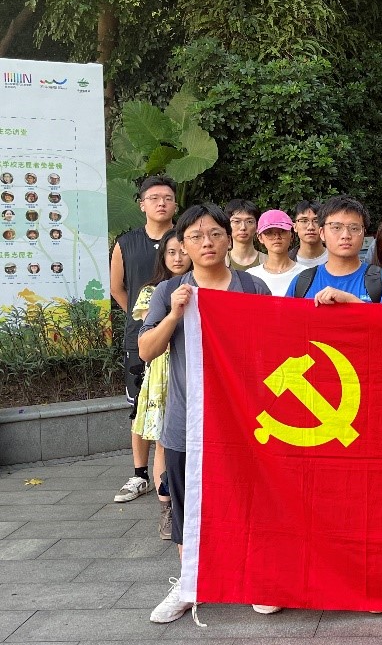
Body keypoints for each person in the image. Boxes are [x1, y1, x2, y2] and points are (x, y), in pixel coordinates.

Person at [141, 204, 273, 624]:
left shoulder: (252, 287)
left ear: (229, 239)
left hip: (242, 419)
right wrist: (175, 314)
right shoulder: (170, 290)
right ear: (183, 245)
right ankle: (188, 584)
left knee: (248, 501)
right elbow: (146, 349)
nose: (207, 242)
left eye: (215, 234)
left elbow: (273, 345)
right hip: (187, 422)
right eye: (196, 236)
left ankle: (254, 578)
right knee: (188, 509)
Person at [109, 176, 177, 504]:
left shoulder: (186, 237)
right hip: (140, 341)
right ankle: (140, 474)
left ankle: (173, 473)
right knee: (139, 406)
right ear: (142, 204)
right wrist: (145, 319)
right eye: (154, 198)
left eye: (167, 197)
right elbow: (117, 287)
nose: (161, 203)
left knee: (176, 403)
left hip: (181, 336)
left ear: (175, 203)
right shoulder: (126, 242)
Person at [131, 229, 192, 540]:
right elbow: (149, 335)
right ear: (162, 256)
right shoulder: (155, 291)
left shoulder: (202, 287)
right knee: (163, 444)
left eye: (183, 250)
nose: (178, 257)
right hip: (161, 374)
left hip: (189, 373)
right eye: (171, 252)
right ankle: (167, 508)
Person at [285, 196, 382, 304]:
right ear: (322, 233)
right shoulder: (302, 282)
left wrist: (350, 301)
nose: (346, 235)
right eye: (336, 227)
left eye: (354, 228)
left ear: (363, 233)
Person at [246, 210, 308, 296]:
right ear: (260, 238)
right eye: (269, 233)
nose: (277, 237)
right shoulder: (250, 276)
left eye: (282, 231)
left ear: (291, 235)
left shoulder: (306, 274)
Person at [224, 199, 266, 271]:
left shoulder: (268, 261)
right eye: (236, 221)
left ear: (257, 226)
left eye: (249, 222)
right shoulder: (219, 262)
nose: (243, 227)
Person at [289, 200, 328, 267]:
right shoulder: (286, 261)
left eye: (316, 221)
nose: (310, 227)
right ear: (295, 227)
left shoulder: (338, 257)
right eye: (304, 221)